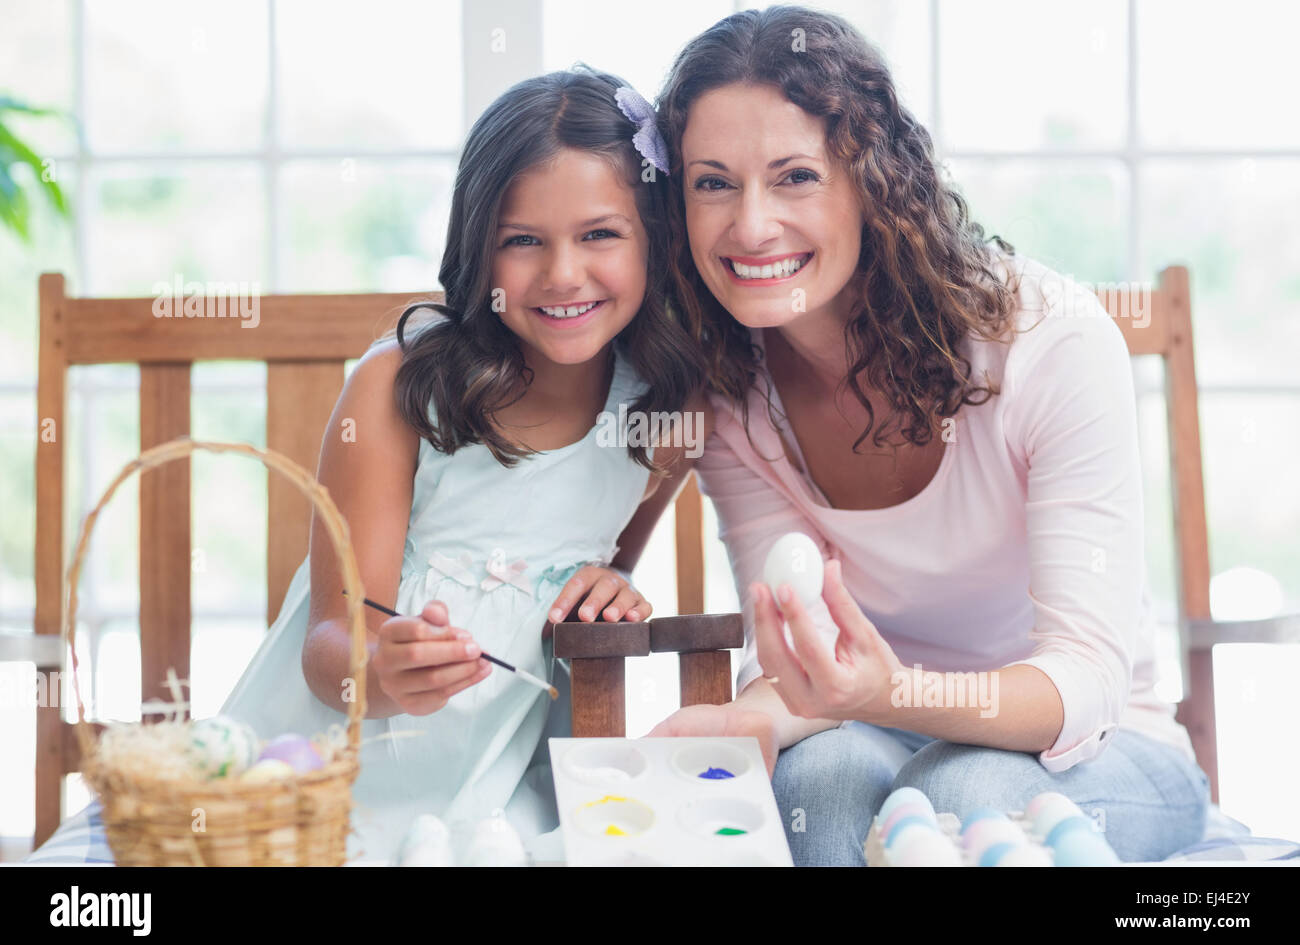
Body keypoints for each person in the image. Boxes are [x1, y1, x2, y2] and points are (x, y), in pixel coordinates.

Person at [641, 6, 1209, 865]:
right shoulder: (732, 393)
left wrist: (892, 690)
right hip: (869, 732)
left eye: (795, 176)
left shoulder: (1047, 341)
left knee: (963, 796)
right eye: (712, 182)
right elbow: (807, 666)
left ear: (871, 182)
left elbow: (1086, 685)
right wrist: (745, 721)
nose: (750, 225)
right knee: (816, 788)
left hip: (1104, 749)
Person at [215, 66, 703, 862]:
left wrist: (613, 589)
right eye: (522, 241)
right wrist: (383, 673)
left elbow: (594, 585)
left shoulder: (663, 416)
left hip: (488, 794)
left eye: (600, 234)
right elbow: (331, 643)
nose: (562, 274)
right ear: (478, 247)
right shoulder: (401, 387)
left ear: (656, 236)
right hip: (318, 780)